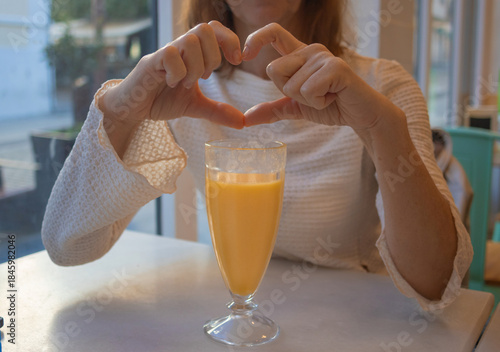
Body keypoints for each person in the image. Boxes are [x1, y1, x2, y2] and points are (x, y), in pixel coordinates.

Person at [41, 0, 472, 312]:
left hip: (351, 324)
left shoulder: (381, 88)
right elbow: (67, 244)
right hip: (233, 318)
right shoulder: (184, 89)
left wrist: (383, 130)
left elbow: (436, 284)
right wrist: (119, 112)